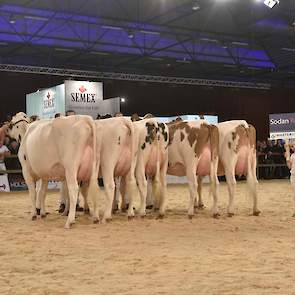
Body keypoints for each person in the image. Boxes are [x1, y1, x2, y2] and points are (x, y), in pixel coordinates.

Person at [284, 139, 295, 217]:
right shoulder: (292, 155)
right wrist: (287, 157)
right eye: (292, 146)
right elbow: (289, 166)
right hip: (293, 176)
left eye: (294, 145)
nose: (293, 147)